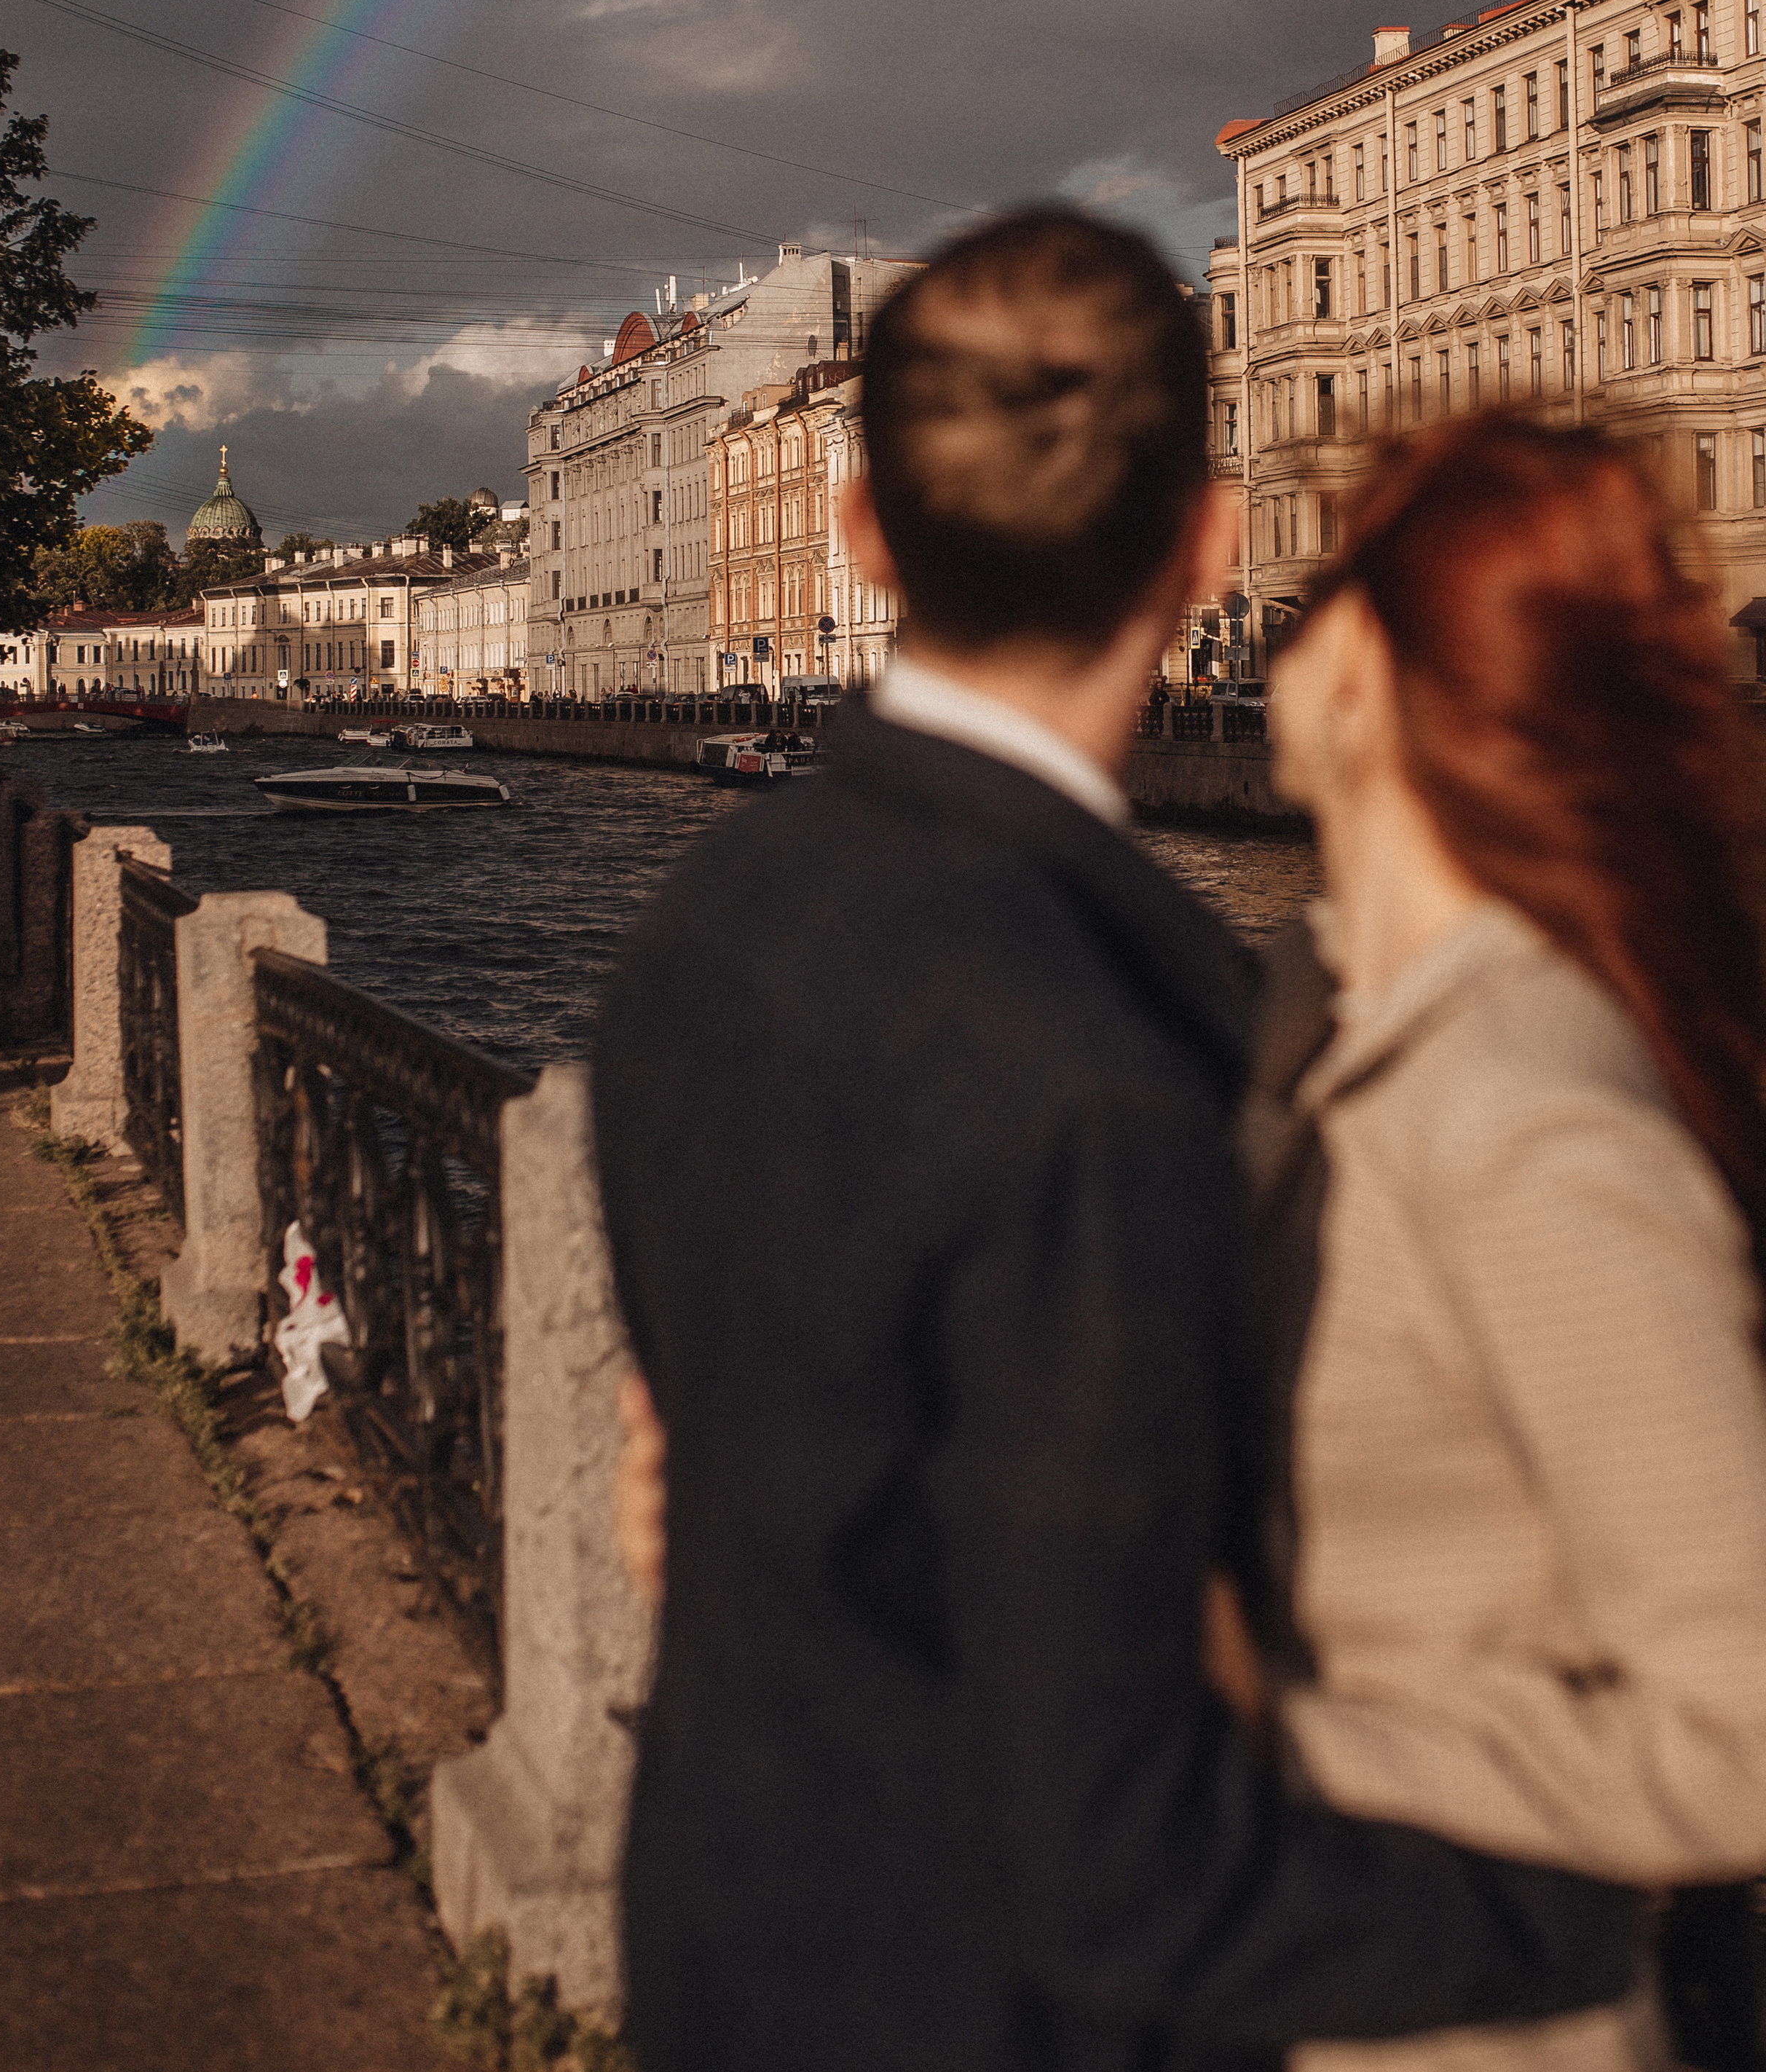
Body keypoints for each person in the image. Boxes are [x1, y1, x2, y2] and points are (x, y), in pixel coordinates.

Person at [591, 209, 1636, 2072]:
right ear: (1208, 542)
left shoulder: (710, 913)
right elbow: (1109, 1839)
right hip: (975, 2006)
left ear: (862, 532)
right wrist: (1540, 1929)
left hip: (729, 1934)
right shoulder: (1103, 1050)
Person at [1239, 414, 1766, 2072]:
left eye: (1318, 591)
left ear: (1368, 676)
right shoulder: (1346, 1034)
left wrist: (1280, 1736)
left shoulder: (1524, 1113)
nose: (1273, 631)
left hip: (1464, 2018)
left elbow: (1741, 1722)